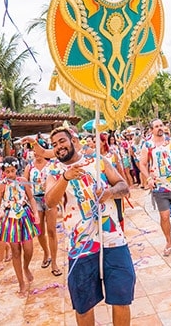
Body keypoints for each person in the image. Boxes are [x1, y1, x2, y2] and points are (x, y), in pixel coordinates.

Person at [45, 124, 134, 326]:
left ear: (73, 141)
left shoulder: (98, 161)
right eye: (54, 144)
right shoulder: (54, 171)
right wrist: (65, 177)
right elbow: (50, 201)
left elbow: (124, 186)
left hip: (113, 240)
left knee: (121, 297)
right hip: (81, 245)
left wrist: (110, 193)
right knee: (83, 304)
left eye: (62, 141)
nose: (58, 146)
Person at [139, 119, 171, 257]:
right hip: (159, 187)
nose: (160, 128)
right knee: (165, 216)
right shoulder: (148, 145)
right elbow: (142, 164)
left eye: (161, 125)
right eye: (156, 126)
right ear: (151, 130)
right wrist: (148, 178)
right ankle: (168, 242)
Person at [0, 156, 39, 296]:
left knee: (28, 248)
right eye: (7, 171)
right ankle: (21, 282)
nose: (10, 174)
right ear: (3, 171)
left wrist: (36, 214)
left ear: (16, 169)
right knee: (15, 251)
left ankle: (26, 267)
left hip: (24, 215)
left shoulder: (23, 182)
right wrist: (0, 210)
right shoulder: (1, 185)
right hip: (10, 218)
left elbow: (31, 198)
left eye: (12, 170)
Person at [24, 145, 61, 277]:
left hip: (49, 199)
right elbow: (25, 183)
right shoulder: (30, 167)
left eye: (38, 151)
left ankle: (55, 262)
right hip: (36, 200)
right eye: (34, 152)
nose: (36, 154)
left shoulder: (51, 165)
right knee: (39, 231)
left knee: (52, 231)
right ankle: (46, 253)